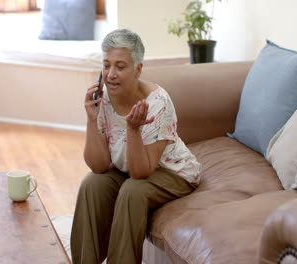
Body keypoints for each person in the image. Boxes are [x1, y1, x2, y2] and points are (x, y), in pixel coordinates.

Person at [70, 29, 202, 264]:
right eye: (106, 65)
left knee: (133, 190)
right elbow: (98, 166)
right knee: (92, 183)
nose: (110, 74)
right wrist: (92, 119)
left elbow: (142, 172)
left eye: (120, 67)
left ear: (138, 69)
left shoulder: (158, 103)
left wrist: (133, 129)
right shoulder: (103, 97)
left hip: (172, 172)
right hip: (129, 170)